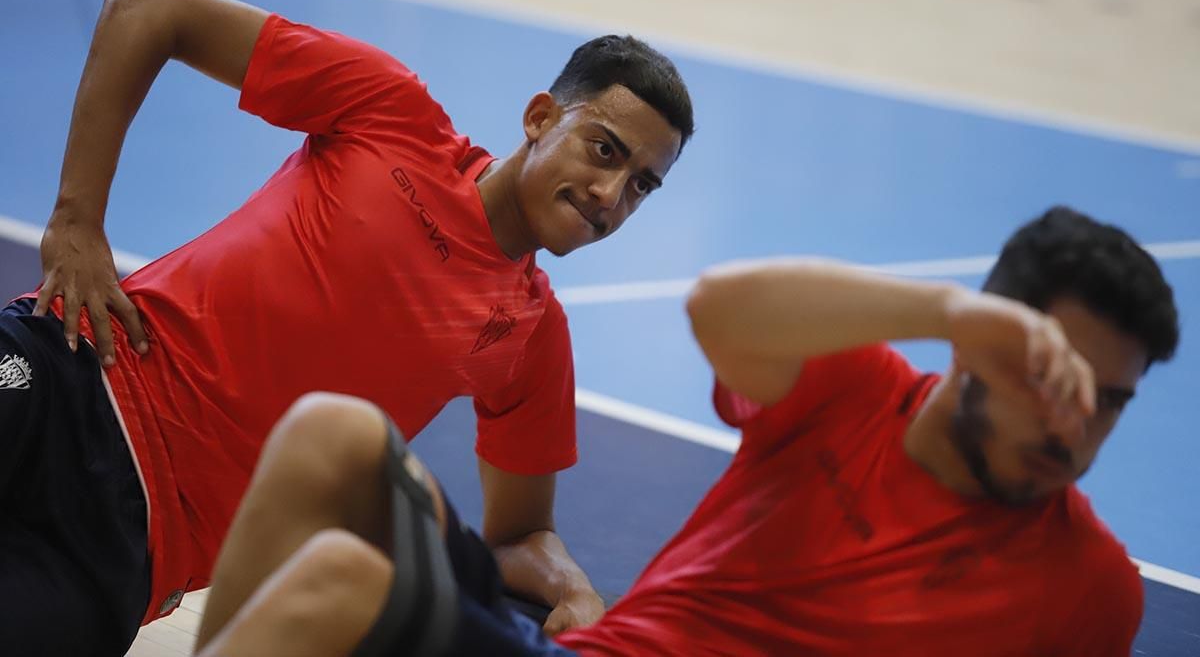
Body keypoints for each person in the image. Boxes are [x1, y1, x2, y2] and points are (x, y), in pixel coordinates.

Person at [0, 0, 693, 655]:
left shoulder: (534, 338)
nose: (611, 194)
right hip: (73, 372)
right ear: (541, 116)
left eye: (641, 185)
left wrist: (574, 587)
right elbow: (146, 11)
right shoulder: (394, 114)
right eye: (604, 149)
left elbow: (517, 536)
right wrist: (76, 219)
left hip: (132, 545)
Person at [192, 206, 1176, 656]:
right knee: (332, 433)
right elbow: (720, 310)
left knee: (341, 585)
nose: (1075, 426)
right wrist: (950, 311)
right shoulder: (855, 385)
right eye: (1057, 379)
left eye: (1112, 402)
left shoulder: (1086, 588)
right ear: (979, 351)